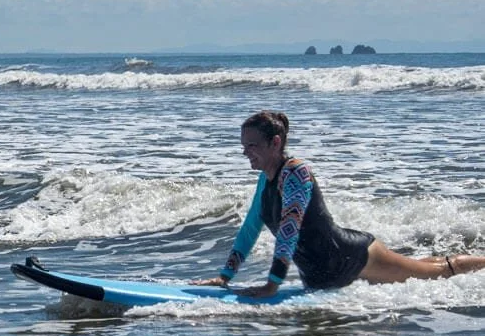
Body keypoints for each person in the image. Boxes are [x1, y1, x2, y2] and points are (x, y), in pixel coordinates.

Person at [192, 110, 485, 297]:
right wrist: (224, 276)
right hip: (322, 274)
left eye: (252, 146)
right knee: (419, 267)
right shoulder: (265, 180)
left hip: (351, 259)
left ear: (276, 142)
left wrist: (272, 284)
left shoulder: (296, 173)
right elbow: (249, 230)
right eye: (243, 147)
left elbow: (289, 231)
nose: (246, 154)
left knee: (438, 273)